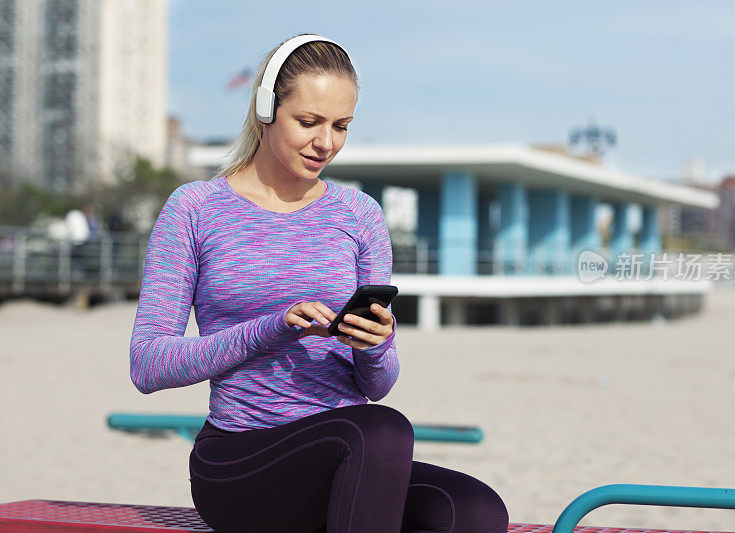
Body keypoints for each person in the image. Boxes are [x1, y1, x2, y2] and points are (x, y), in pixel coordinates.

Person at [129, 33, 509, 533]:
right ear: (267, 109)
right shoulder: (196, 208)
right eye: (308, 122)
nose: (326, 142)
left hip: (353, 450)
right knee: (383, 431)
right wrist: (270, 329)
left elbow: (377, 387)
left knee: (477, 512)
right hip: (242, 459)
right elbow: (148, 365)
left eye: (341, 126)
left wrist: (376, 344)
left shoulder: (359, 216)